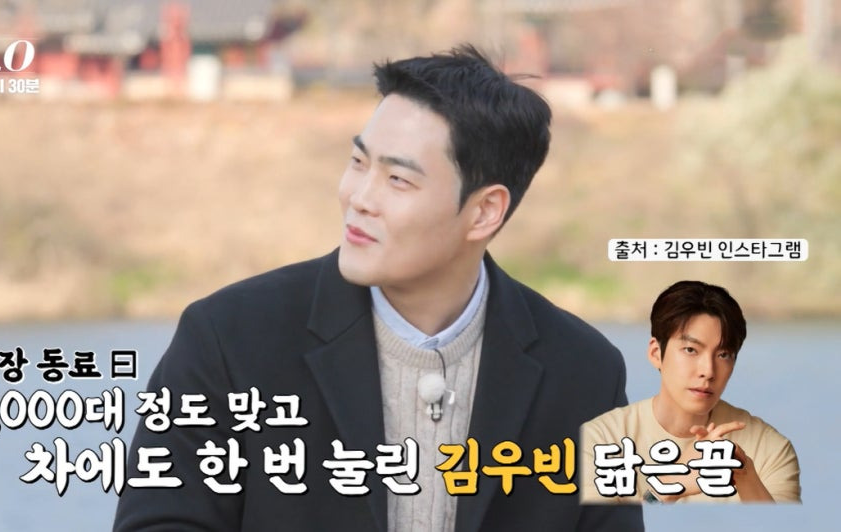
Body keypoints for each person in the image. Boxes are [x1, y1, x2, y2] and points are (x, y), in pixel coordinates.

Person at [113, 45, 643, 531]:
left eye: (398, 180)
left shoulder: (585, 375)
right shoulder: (228, 340)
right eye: (359, 162)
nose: (359, 198)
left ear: (484, 211)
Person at [579, 280, 801, 504]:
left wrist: (746, 477)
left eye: (723, 355)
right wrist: (669, 486)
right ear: (656, 354)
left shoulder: (770, 449)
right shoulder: (600, 440)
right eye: (690, 350)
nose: (708, 371)